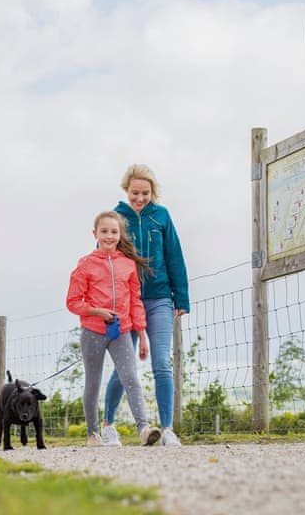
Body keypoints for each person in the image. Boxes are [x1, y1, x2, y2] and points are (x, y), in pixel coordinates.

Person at [103, 164, 189, 447]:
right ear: (126, 191)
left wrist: (181, 296)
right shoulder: (117, 218)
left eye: (145, 193)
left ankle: (167, 429)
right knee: (124, 366)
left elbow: (174, 255)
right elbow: (104, 260)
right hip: (126, 303)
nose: (140, 198)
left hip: (160, 298)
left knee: (162, 362)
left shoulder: (161, 216)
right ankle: (108, 425)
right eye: (134, 193)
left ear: (153, 193)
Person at [66, 211, 162, 447]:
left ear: (120, 235)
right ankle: (92, 434)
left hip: (122, 332)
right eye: (104, 231)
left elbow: (136, 301)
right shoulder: (85, 264)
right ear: (95, 233)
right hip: (92, 332)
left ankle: (144, 429)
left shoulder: (128, 265)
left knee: (130, 378)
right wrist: (97, 312)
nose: (109, 236)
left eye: (114, 231)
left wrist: (141, 335)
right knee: (93, 382)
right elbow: (73, 301)